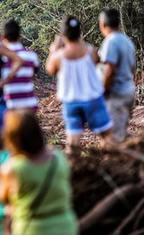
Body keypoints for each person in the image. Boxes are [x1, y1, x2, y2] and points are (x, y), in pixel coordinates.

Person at [0, 110, 78, 235]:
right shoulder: (58, 157)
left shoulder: (12, 168)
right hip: (65, 226)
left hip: (32, 228)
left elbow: (2, 198)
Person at [45, 16, 115, 156]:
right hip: (93, 99)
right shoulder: (90, 51)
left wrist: (54, 49)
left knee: (72, 141)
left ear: (63, 35)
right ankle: (111, 163)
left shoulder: (58, 56)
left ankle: (73, 167)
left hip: (71, 102)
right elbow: (98, 62)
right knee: (107, 136)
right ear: (79, 33)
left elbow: (50, 69)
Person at [98, 8, 136, 142]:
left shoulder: (111, 41)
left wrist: (102, 91)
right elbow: (133, 68)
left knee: (113, 139)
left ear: (102, 24)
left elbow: (109, 70)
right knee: (120, 134)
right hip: (128, 90)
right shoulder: (127, 41)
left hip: (116, 94)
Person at [0, 20, 40, 112]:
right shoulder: (31, 56)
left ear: (2, 37)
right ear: (20, 36)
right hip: (29, 105)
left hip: (7, 107)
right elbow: (33, 73)